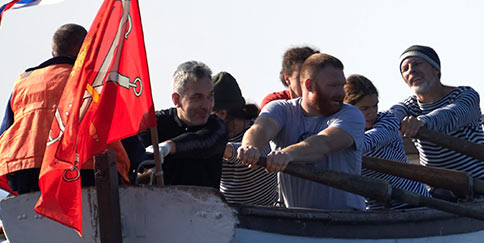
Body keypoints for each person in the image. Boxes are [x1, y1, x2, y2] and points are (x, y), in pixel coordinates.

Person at [0, 23, 129, 193]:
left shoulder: (24, 81)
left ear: (53, 53)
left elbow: (5, 133)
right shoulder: (96, 83)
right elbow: (125, 133)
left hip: (25, 172)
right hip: (85, 171)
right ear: (89, 51)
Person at [237, 53, 366, 210]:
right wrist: (251, 147)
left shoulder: (351, 115)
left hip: (347, 218)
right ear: (309, 85)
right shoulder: (281, 109)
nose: (341, 93)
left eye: (342, 85)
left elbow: (324, 143)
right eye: (333, 86)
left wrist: (288, 155)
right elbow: (260, 129)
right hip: (296, 218)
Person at [390, 45, 484, 182]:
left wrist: (422, 122)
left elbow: (452, 115)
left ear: (435, 69)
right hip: (437, 189)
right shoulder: (408, 107)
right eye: (405, 69)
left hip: (479, 183)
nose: (411, 71)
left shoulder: (466, 95)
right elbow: (390, 118)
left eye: (417, 64)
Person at [136, 60, 232, 188]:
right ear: (177, 99)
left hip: (205, 200)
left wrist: (168, 147)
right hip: (159, 199)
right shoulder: (154, 124)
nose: (206, 106)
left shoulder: (217, 127)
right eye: (197, 97)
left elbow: (202, 142)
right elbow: (134, 153)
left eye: (210, 96)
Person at [344, 74, 428, 209]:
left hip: (415, 202)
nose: (372, 113)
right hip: (376, 209)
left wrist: (331, 147)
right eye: (364, 109)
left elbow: (369, 141)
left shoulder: (388, 121)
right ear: (347, 110)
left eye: (374, 106)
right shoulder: (340, 131)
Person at [212, 71, 279, 206]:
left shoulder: (257, 128)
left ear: (222, 113)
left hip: (268, 211)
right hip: (229, 211)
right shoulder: (214, 135)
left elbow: (249, 153)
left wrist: (219, 148)